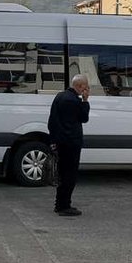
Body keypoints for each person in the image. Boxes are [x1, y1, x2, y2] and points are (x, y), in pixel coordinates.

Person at [47, 74, 90, 217]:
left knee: (62, 174)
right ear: (80, 86)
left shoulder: (59, 97)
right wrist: (85, 100)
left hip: (60, 142)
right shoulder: (74, 101)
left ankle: (59, 204)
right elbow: (84, 118)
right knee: (70, 175)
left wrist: (53, 140)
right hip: (71, 143)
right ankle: (64, 205)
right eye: (86, 87)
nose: (87, 89)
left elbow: (52, 121)